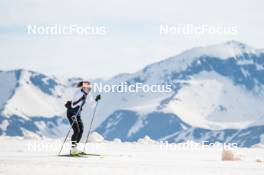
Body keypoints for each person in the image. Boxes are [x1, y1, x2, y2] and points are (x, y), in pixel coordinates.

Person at [66, 81, 101, 156]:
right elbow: (72, 105)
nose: (89, 90)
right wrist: (80, 99)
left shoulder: (88, 95)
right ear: (84, 88)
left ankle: (75, 149)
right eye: (88, 88)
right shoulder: (78, 93)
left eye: (90, 89)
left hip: (77, 114)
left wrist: (96, 100)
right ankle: (73, 150)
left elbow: (92, 105)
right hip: (71, 113)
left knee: (81, 130)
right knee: (76, 130)